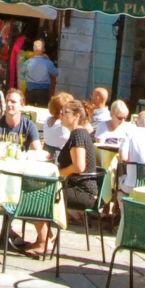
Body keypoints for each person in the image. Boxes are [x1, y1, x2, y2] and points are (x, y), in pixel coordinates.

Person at [55, 94, 101, 235]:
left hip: (83, 192)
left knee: (42, 194)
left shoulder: (78, 135)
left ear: (76, 116)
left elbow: (78, 166)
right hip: (81, 189)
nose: (61, 115)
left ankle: (46, 240)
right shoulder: (79, 133)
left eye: (65, 112)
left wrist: (59, 173)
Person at [21, 38, 56, 108]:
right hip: (43, 93)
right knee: (42, 112)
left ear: (34, 49)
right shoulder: (48, 63)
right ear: (43, 50)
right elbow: (55, 73)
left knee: (28, 113)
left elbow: (22, 73)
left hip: (30, 91)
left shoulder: (27, 62)